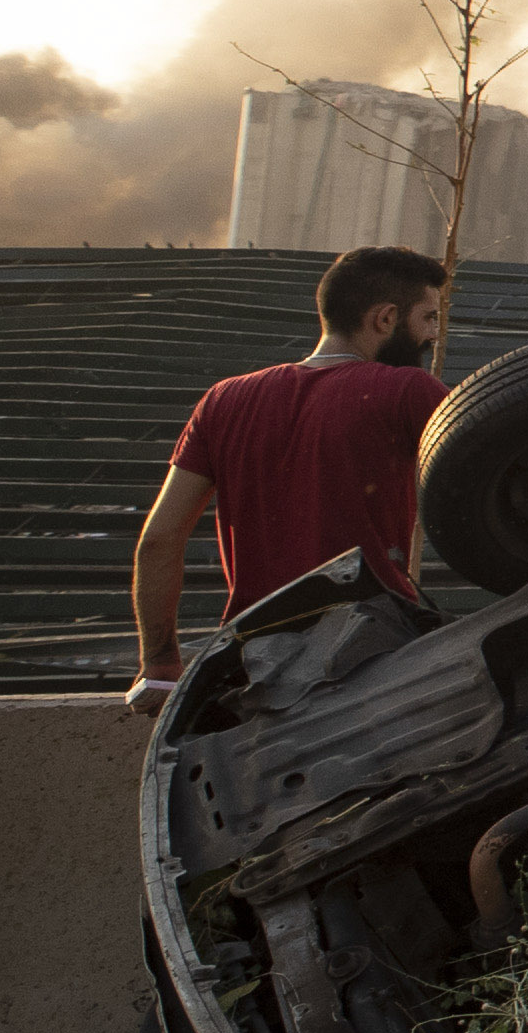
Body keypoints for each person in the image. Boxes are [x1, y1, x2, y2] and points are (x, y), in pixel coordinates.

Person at [129, 246, 455, 711]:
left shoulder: (223, 400)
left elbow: (159, 539)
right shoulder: (409, 390)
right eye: (429, 318)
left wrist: (159, 664)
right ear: (385, 319)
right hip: (372, 665)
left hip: (252, 665)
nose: (432, 336)